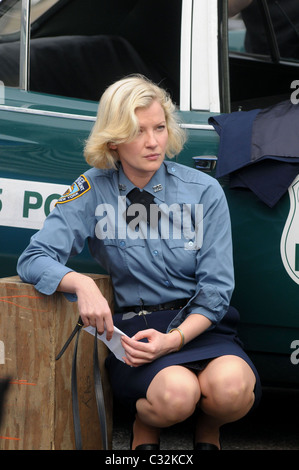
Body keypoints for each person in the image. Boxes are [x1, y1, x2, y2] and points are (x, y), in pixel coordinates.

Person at [17, 75, 261, 450]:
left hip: (199, 326)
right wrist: (80, 283)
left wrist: (175, 339)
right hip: (138, 334)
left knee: (233, 391)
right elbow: (34, 257)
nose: (153, 142)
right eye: (138, 131)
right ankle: (145, 425)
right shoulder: (93, 188)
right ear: (113, 139)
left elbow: (216, 290)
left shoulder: (203, 190)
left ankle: (208, 427)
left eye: (160, 127)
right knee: (176, 395)